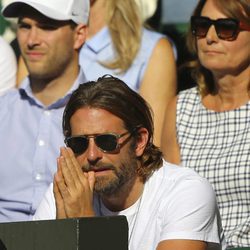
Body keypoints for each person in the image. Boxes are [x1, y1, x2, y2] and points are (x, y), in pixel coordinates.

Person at [34, 75, 226, 250]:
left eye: (106, 141)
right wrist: (61, 233)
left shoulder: (186, 192)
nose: (92, 155)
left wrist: (84, 224)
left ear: (140, 141)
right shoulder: (63, 195)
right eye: (79, 143)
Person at [161, 0, 250, 248]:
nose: (210, 37)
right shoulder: (181, 108)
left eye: (227, 27)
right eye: (202, 26)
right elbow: (171, 203)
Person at [0, 0, 89, 222]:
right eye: (24, 26)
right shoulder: (3, 111)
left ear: (79, 35)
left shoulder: (104, 117)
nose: (31, 40)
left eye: (47, 26)